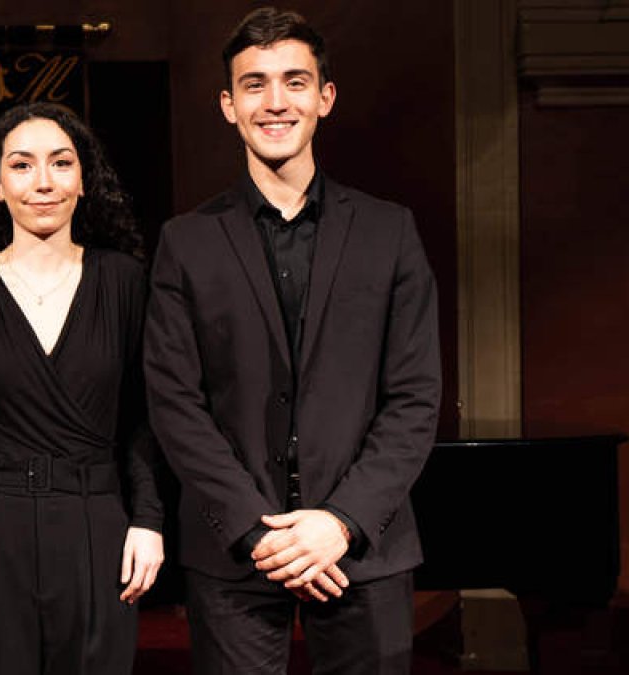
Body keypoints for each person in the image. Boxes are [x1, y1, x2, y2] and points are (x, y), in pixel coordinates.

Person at [143, 7, 441, 674]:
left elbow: (416, 398)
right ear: (227, 104)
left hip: (364, 547)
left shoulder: (390, 232)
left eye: (295, 81)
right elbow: (174, 404)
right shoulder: (185, 242)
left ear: (325, 97)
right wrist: (259, 531)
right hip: (234, 550)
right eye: (254, 84)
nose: (275, 102)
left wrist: (336, 523)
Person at [0, 102, 165, 675]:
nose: (44, 183)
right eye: (23, 166)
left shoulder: (127, 282)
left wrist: (149, 520)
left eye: (61, 164)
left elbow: (145, 417)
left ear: (84, 182)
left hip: (98, 526)